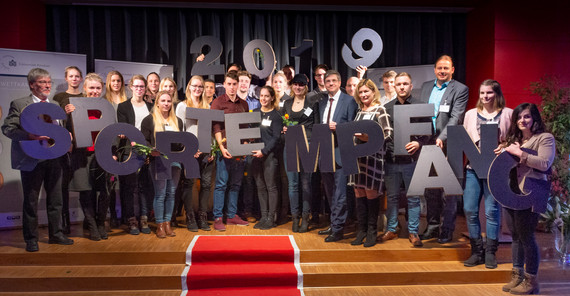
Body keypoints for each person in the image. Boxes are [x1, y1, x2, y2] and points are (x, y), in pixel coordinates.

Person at [2, 68, 74, 252]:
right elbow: (8, 129)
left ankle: (56, 234)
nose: (47, 85)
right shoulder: (19, 104)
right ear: (32, 85)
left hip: (54, 158)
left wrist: (66, 136)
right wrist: (29, 136)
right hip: (31, 159)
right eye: (42, 82)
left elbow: (59, 129)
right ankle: (31, 239)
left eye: (49, 82)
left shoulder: (55, 105)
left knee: (56, 200)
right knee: (31, 201)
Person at [499, 103, 555, 295]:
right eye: (519, 117)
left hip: (531, 191)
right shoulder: (514, 140)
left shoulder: (545, 138)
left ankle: (531, 280)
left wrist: (519, 154)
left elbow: (545, 163)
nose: (522, 121)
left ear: (535, 119)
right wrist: (504, 153)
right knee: (515, 235)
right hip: (511, 191)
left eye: (526, 117)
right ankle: (517, 275)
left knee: (527, 237)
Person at [462, 80, 513, 269]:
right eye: (482, 93)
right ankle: (476, 251)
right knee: (469, 209)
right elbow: (465, 138)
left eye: (489, 93)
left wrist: (505, 146)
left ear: (496, 94)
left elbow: (514, 139)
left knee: (492, 211)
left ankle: (491, 251)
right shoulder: (470, 114)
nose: (485, 97)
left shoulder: (508, 114)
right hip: (474, 168)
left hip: (495, 169)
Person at [419, 55, 469, 243]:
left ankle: (447, 229)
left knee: (449, 190)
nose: (442, 71)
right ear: (434, 69)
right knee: (430, 189)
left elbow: (456, 117)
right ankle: (432, 226)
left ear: (452, 70)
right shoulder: (425, 87)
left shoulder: (461, 89)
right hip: (426, 142)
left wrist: (441, 138)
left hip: (449, 144)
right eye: (439, 68)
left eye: (446, 68)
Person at [63, 73, 112, 241]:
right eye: (91, 88)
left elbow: (111, 131)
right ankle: (91, 226)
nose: (95, 91)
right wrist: (67, 114)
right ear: (84, 88)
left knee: (104, 191)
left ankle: (100, 223)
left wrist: (113, 152)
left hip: (102, 154)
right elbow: (67, 129)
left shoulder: (107, 106)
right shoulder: (75, 107)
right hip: (82, 154)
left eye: (98, 88)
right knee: (86, 191)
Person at [382, 72, 427, 248]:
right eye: (398, 84)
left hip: (412, 161)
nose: (401, 87)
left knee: (414, 197)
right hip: (391, 160)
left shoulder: (420, 106)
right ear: (394, 86)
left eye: (405, 84)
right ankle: (391, 229)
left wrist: (418, 142)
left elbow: (428, 132)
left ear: (411, 86)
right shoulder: (387, 108)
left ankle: (413, 232)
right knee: (391, 197)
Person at [349, 79, 392, 248]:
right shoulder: (359, 111)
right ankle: (362, 231)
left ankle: (372, 232)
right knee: (359, 193)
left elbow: (388, 134)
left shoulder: (380, 110)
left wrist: (369, 139)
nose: (364, 95)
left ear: (374, 92)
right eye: (361, 92)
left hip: (373, 158)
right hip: (357, 157)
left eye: (366, 91)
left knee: (371, 193)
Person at [318, 70, 358, 242]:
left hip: (342, 152)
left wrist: (338, 127)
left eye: (334, 80)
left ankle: (338, 229)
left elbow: (353, 126)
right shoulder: (321, 102)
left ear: (339, 82)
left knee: (341, 193)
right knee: (329, 192)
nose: (331, 84)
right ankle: (334, 223)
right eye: (328, 81)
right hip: (325, 152)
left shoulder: (349, 100)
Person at [141, 91, 184, 239]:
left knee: (171, 193)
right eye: (163, 101)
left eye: (169, 101)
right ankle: (159, 224)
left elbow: (181, 142)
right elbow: (144, 141)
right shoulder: (149, 120)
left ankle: (167, 223)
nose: (166, 103)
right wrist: (151, 151)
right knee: (160, 194)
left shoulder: (177, 121)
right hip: (158, 161)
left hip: (175, 161)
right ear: (157, 102)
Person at [211, 71, 250, 231]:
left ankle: (232, 215)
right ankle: (218, 217)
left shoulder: (244, 104)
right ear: (224, 85)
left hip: (240, 150)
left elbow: (246, 126)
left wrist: (246, 144)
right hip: (225, 149)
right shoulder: (218, 102)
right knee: (221, 184)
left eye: (235, 84)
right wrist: (221, 147)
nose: (232, 87)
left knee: (235, 184)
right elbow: (216, 127)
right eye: (229, 84)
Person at [175, 75, 215, 231]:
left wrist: (212, 149)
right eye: (195, 86)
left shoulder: (208, 106)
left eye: (200, 86)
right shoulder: (182, 106)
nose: (197, 89)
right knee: (189, 184)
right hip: (190, 152)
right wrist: (188, 149)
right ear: (189, 87)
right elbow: (180, 129)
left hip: (206, 151)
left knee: (205, 185)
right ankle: (190, 217)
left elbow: (210, 130)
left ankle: (202, 216)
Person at [116, 75, 154, 235]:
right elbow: (123, 130)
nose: (139, 89)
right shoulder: (123, 107)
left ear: (145, 88)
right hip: (128, 151)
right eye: (136, 86)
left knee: (145, 186)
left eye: (142, 86)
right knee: (129, 187)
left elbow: (152, 131)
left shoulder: (151, 107)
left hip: (146, 151)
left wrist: (148, 150)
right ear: (130, 87)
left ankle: (144, 218)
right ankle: (131, 219)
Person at [281, 74, 317, 233]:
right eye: (295, 84)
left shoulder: (312, 102)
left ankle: (305, 216)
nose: (298, 87)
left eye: (301, 85)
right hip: (290, 145)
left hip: (308, 145)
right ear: (292, 86)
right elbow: (283, 124)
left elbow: (317, 124)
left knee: (306, 184)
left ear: (305, 86)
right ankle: (295, 217)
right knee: (293, 184)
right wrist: (284, 130)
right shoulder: (286, 103)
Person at [53, 66, 83, 235]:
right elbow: (55, 122)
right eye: (71, 76)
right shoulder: (59, 97)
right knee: (62, 186)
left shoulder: (86, 97)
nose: (74, 79)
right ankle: (65, 222)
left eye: (77, 76)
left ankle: (88, 220)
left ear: (81, 79)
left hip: (82, 146)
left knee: (84, 185)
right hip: (66, 147)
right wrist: (64, 112)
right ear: (66, 78)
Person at [251, 86, 283, 230]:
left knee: (271, 187)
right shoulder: (255, 113)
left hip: (269, 156)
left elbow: (276, 138)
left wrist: (263, 151)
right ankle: (264, 217)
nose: (263, 99)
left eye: (266, 96)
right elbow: (248, 132)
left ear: (271, 98)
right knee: (260, 186)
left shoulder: (276, 116)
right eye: (261, 96)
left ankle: (271, 217)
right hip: (254, 155)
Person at [237, 70, 261, 223]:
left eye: (246, 81)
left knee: (249, 181)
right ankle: (233, 211)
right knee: (234, 181)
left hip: (251, 147)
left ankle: (248, 210)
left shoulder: (256, 103)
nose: (244, 83)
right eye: (241, 81)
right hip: (234, 146)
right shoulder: (231, 102)